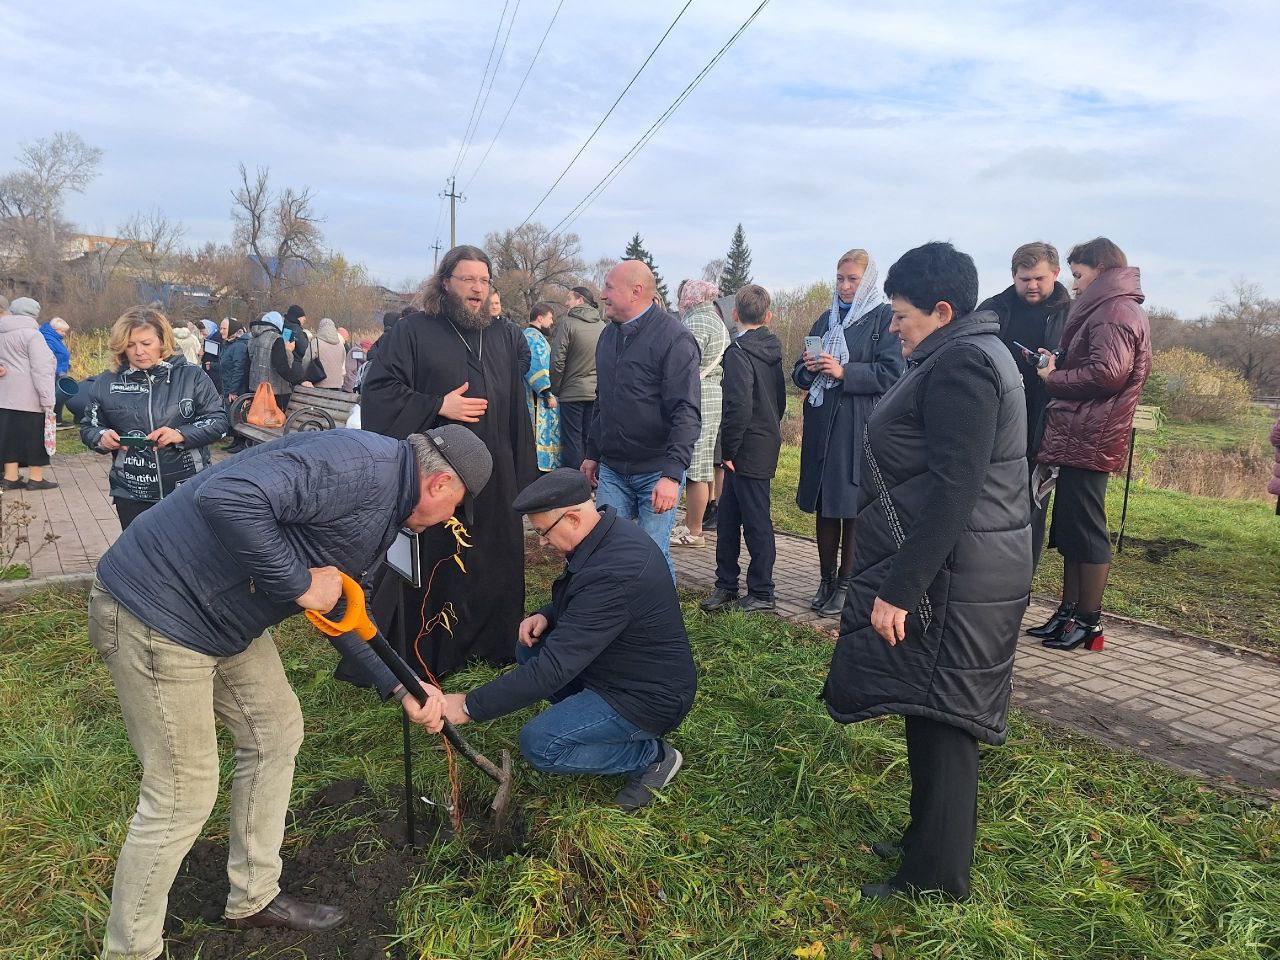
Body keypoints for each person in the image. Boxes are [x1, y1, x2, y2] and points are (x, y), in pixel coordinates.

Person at [89, 425, 490, 960]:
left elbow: (347, 614)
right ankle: (131, 950)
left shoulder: (385, 497)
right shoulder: (359, 468)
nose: (448, 521)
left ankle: (253, 895)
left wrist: (402, 687)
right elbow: (225, 496)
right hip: (158, 611)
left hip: (222, 617)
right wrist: (300, 583)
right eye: (454, 508)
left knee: (276, 731)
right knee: (182, 791)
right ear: (440, 485)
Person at [824, 241, 1032, 901]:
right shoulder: (961, 351)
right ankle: (926, 841)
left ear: (943, 310)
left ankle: (935, 883)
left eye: (903, 315)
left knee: (945, 724)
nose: (893, 326)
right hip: (960, 567)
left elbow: (954, 491)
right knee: (929, 706)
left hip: (958, 574)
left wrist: (898, 590)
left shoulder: (964, 364)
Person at [442, 468, 696, 810]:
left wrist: (470, 705)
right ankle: (587, 720)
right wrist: (547, 613)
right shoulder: (605, 536)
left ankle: (651, 757)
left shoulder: (615, 570)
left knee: (541, 744)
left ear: (573, 518)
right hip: (615, 668)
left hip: (646, 698)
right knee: (528, 648)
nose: (542, 542)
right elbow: (587, 598)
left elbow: (554, 670)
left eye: (543, 532)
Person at [361, 244, 539, 678]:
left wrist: (524, 478)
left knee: (494, 557)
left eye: (484, 280)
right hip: (436, 474)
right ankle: (432, 652)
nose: (477, 289)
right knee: (439, 560)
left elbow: (517, 408)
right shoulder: (413, 332)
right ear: (446, 283)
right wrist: (437, 404)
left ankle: (493, 644)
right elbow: (378, 393)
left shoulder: (501, 334)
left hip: (494, 475)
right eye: (468, 280)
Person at [1030, 238, 1151, 651]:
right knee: (1069, 529)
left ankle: (1089, 622)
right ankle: (1067, 613)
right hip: (1078, 432)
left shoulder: (1116, 311)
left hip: (1092, 435)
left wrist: (1053, 379)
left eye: (1079, 276)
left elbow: (1108, 374)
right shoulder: (1104, 308)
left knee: (1088, 531)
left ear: (1099, 269)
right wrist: (1059, 363)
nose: (1075, 285)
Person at [793, 249, 905, 617]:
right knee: (825, 504)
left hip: (858, 422)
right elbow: (799, 373)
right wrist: (810, 369)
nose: (844, 286)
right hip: (823, 422)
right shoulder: (825, 319)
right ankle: (826, 579)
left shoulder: (883, 318)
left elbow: (893, 373)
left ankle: (847, 583)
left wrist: (845, 373)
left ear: (867, 280)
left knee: (851, 506)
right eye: (840, 278)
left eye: (852, 279)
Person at [582, 260, 701, 581]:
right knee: (606, 547)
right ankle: (616, 620)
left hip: (656, 471)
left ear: (635, 292)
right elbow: (602, 401)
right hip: (613, 469)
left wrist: (672, 476)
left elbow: (686, 412)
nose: (602, 295)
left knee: (651, 551)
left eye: (608, 287)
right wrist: (593, 454)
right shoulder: (608, 337)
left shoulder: (674, 339)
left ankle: (660, 627)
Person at [80, 306, 229, 530]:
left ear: (162, 341)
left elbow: (218, 422)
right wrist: (101, 437)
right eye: (130, 345)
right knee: (142, 559)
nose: (139, 351)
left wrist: (180, 434)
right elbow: (89, 427)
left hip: (187, 489)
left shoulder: (192, 376)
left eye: (146, 343)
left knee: (186, 557)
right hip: (132, 493)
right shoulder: (106, 383)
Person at [977, 242, 1072, 565]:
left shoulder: (1071, 315)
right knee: (985, 502)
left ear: (1056, 274)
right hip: (993, 420)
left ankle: (1020, 584)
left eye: (1039, 279)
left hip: (1042, 426)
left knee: (1030, 509)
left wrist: (1057, 366)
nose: (1031, 286)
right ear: (1013, 276)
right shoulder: (993, 308)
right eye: (1024, 279)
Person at [700, 284, 786, 613]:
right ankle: (726, 585)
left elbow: (737, 405)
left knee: (755, 522)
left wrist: (730, 451)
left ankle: (762, 591)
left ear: (734, 314)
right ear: (768, 316)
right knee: (729, 517)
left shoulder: (738, 352)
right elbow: (778, 400)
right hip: (762, 440)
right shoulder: (773, 349)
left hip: (744, 447)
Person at [670, 280, 730, 550]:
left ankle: (694, 530)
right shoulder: (714, 319)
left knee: (695, 466)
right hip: (710, 394)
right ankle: (692, 523)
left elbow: (683, 362)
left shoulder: (697, 322)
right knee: (704, 464)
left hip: (698, 396)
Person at [0, 297, 58, 490]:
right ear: (34, 314)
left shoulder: (2, 333)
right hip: (30, 398)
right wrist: (47, 399)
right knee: (34, 437)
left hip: (5, 397)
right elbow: (41, 369)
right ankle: (35, 478)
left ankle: (10, 476)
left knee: (9, 436)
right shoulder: (33, 336)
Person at [550, 285, 604, 470]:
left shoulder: (567, 323)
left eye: (569, 298)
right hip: (596, 394)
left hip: (572, 393)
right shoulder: (602, 325)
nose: (566, 303)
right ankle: (591, 485)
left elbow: (557, 359)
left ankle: (573, 488)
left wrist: (556, 388)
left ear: (580, 299)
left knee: (572, 441)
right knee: (590, 440)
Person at [523, 301, 561, 471]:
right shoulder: (533, 338)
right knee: (538, 435)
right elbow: (536, 366)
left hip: (537, 395)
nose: (552, 322)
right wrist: (547, 392)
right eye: (550, 318)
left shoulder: (532, 336)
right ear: (540, 318)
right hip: (538, 397)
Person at [248, 310, 307, 409]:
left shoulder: (254, 337)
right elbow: (282, 366)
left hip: (256, 388)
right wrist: (288, 351)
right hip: (274, 391)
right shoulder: (276, 338)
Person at [39, 316, 72, 423]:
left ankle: (58, 419)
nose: (64, 334)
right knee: (57, 397)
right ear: (56, 330)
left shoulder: (56, 339)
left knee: (59, 397)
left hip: (61, 371)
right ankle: (55, 420)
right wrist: (58, 370)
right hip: (55, 373)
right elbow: (49, 356)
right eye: (63, 331)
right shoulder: (49, 339)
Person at [312, 317, 349, 389]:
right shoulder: (341, 345)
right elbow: (342, 365)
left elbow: (306, 361)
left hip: (319, 382)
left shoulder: (316, 342)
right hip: (337, 383)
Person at [199, 318, 224, 396]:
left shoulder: (217, 338)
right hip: (211, 370)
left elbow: (219, 356)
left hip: (214, 372)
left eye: (203, 331)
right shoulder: (210, 337)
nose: (202, 334)